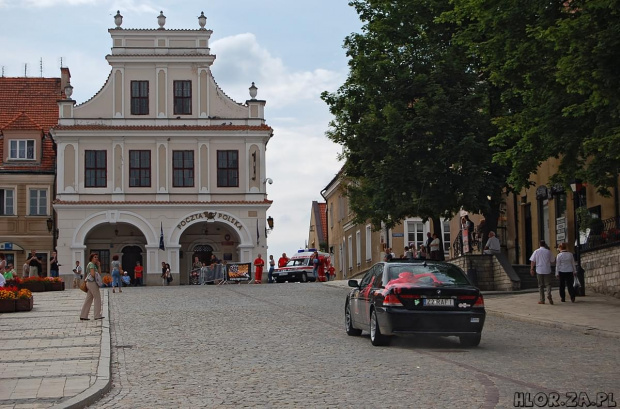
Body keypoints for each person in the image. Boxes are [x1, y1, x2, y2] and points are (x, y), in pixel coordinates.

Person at [80, 253, 103, 321]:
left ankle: (83, 315)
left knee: (89, 299)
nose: (96, 258)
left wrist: (99, 266)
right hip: (92, 282)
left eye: (97, 257)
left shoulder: (93, 265)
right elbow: (93, 274)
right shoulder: (91, 264)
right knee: (97, 298)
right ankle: (97, 315)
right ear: (92, 258)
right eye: (95, 257)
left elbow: (99, 273)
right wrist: (97, 277)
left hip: (89, 283)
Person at [530, 240, 554, 305]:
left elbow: (532, 261)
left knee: (540, 285)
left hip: (539, 270)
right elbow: (552, 260)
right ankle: (549, 294)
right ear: (545, 244)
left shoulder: (536, 251)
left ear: (539, 244)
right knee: (548, 284)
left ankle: (542, 300)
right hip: (547, 269)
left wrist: (532, 269)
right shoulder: (548, 252)